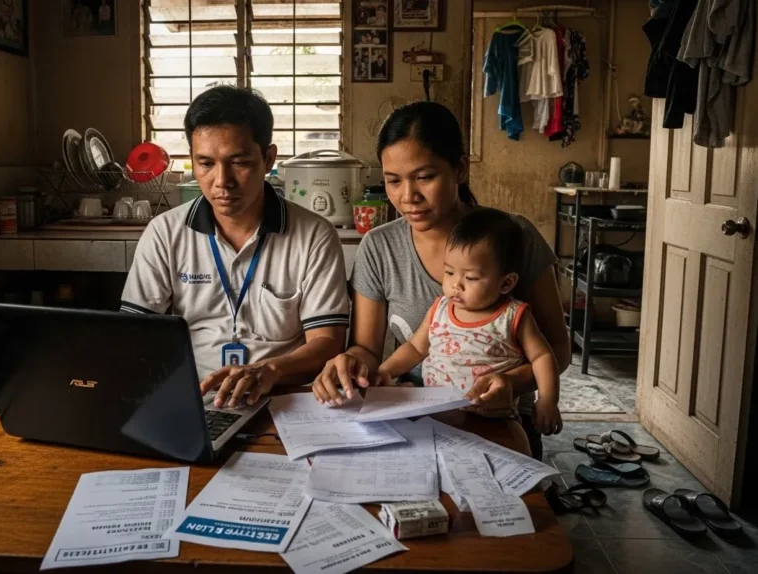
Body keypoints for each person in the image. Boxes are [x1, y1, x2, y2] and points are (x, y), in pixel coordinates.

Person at [311, 101, 571, 460]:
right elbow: (368, 351)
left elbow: (558, 349)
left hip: (498, 418)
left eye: (424, 177)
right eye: (393, 181)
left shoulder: (514, 236)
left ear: (460, 169)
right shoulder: (380, 246)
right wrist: (349, 363)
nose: (408, 197)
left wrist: (512, 384)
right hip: (413, 416)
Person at [122, 86, 349, 410]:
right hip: (193, 400)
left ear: (268, 158)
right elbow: (135, 336)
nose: (221, 181)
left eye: (238, 162)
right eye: (205, 163)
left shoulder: (314, 236)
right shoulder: (165, 233)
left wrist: (269, 370)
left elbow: (327, 344)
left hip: (284, 402)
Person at [371, 208, 563, 436]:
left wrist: (548, 401)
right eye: (449, 272)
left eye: (470, 277)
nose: (456, 285)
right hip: (435, 412)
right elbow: (415, 347)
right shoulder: (440, 309)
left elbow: (542, 356)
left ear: (506, 283)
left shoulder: (513, 316)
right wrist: (385, 371)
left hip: (491, 417)